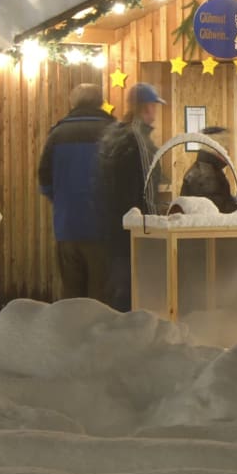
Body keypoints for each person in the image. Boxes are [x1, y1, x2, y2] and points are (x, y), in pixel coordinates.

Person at [37, 84, 115, 301]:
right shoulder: (113, 132)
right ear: (100, 102)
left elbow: (44, 178)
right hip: (104, 228)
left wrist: (62, 202)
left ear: (73, 102)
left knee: (71, 296)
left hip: (67, 227)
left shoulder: (57, 134)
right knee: (101, 298)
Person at [97, 82, 165, 312]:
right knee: (135, 295)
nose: (155, 112)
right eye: (154, 106)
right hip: (136, 230)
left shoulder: (111, 136)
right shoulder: (139, 140)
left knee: (118, 291)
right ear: (147, 107)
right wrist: (154, 227)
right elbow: (147, 189)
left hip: (111, 227)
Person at [180, 126, 237, 213]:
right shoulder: (206, 175)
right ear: (211, 147)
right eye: (223, 144)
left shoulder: (209, 169)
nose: (227, 149)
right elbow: (216, 209)